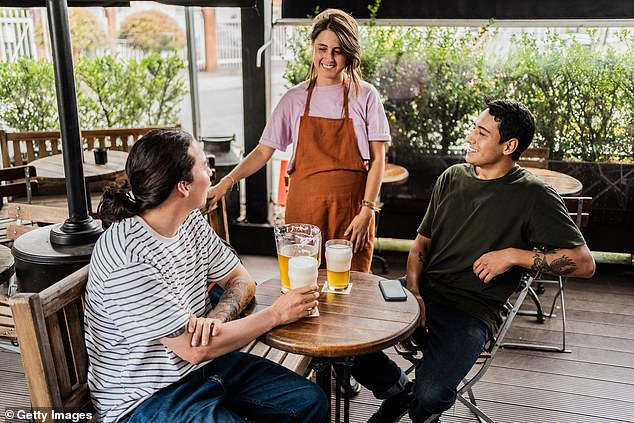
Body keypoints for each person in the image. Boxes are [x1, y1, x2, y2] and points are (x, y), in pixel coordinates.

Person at [350, 100, 596, 423]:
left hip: (470, 312)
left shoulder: (535, 196)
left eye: (481, 133)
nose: (470, 138)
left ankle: (421, 408)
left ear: (509, 146)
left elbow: (584, 263)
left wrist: (513, 256)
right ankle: (397, 390)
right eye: (474, 129)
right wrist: (415, 292)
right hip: (419, 292)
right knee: (345, 331)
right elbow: (420, 247)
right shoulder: (453, 177)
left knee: (432, 394)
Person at [84, 129, 327, 423]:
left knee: (309, 402)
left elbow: (241, 279)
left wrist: (214, 321)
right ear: (184, 186)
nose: (211, 172)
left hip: (203, 368)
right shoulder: (127, 255)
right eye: (203, 165)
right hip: (145, 398)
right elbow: (193, 349)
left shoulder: (189, 221)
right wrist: (276, 314)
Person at [208, 8, 391, 272]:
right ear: (313, 49)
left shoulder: (366, 95)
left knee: (352, 291)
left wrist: (368, 210)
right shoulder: (294, 99)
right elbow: (262, 151)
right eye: (322, 49)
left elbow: (378, 159)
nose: (328, 58)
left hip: (351, 209)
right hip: (304, 208)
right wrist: (227, 181)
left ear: (349, 53)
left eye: (337, 51)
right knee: (303, 290)